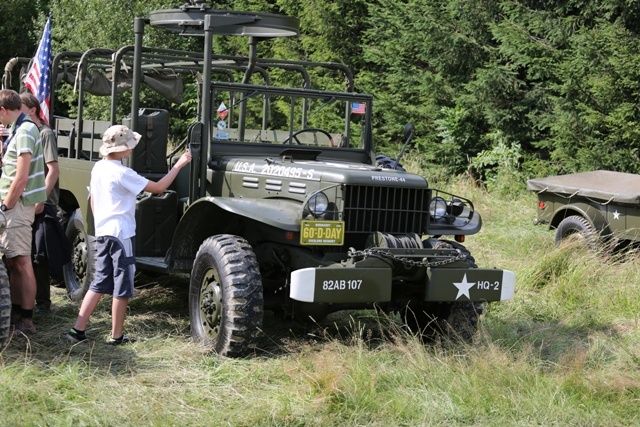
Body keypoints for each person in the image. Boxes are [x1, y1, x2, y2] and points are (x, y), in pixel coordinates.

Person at [66, 124, 191, 345]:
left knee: (99, 282)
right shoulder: (123, 173)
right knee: (122, 286)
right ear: (123, 149)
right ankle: (116, 336)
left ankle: (78, 330)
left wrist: (103, 222)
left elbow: (93, 201)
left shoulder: (99, 168)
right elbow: (160, 188)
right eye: (130, 146)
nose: (132, 149)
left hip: (104, 232)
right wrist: (179, 165)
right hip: (120, 234)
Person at [0, 89, 47, 335]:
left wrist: (5, 205)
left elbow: (21, 176)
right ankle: (17, 313)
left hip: (17, 204)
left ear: (3, 110)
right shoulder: (19, 129)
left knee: (21, 261)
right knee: (14, 260)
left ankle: (26, 320)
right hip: (14, 203)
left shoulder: (26, 130)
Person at [21, 92, 70, 313]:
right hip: (26, 201)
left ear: (32, 109)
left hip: (41, 203)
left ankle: (43, 303)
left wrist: (41, 198)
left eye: (20, 107)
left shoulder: (44, 133)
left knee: (38, 255)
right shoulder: (23, 133)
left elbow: (53, 170)